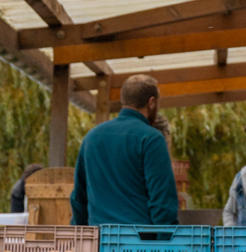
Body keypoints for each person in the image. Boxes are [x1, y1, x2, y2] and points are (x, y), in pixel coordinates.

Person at [70, 73, 179, 227]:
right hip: (139, 243)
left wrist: (82, 241)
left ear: (124, 100)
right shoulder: (151, 139)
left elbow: (79, 198)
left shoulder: (91, 138)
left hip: (100, 242)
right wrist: (165, 244)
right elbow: (162, 201)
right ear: (152, 102)